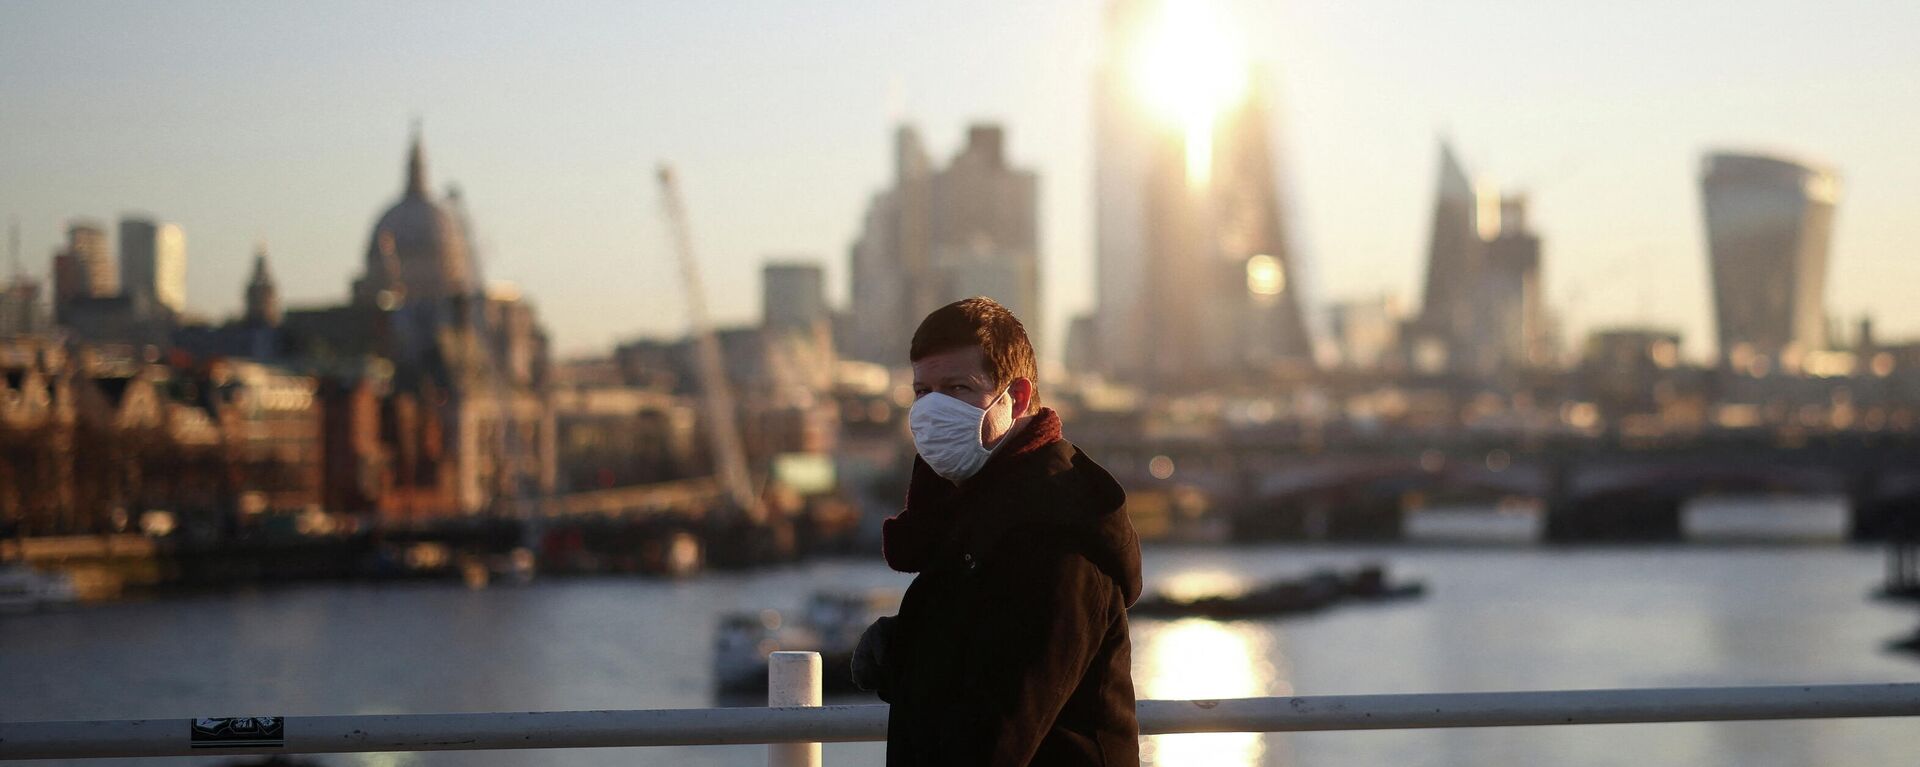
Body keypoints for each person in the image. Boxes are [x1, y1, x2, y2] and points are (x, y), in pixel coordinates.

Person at [852, 297, 1142, 766]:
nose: (932, 410)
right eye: (922, 391)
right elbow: (985, 644)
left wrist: (911, 656)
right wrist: (907, 643)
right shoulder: (977, 510)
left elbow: (1000, 728)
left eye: (957, 388)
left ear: (1018, 397)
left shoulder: (1057, 533)